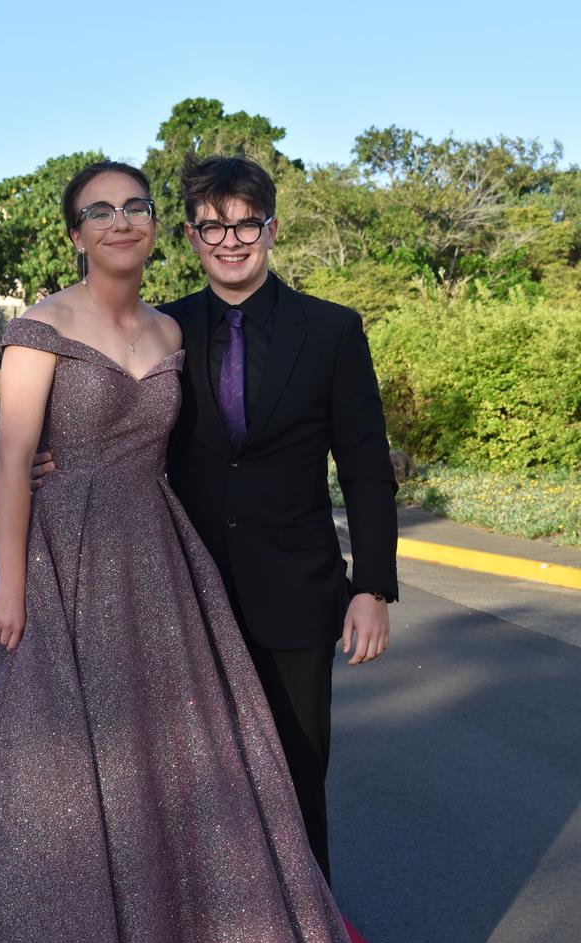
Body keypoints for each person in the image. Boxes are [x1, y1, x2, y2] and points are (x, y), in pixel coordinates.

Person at [0, 159, 373, 943]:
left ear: (159, 226)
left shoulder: (173, 333)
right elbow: (13, 459)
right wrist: (10, 583)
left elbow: (265, 443)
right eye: (100, 211)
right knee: (56, 779)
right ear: (76, 232)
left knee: (177, 771)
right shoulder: (38, 328)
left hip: (161, 565)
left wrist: (367, 581)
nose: (122, 221)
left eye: (136, 206)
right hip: (65, 563)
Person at [33, 153, 399, 884]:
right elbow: (114, 424)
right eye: (212, 228)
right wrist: (60, 458)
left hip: (296, 598)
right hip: (178, 596)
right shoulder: (164, 329)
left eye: (246, 226)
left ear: (271, 228)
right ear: (192, 237)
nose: (230, 243)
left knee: (297, 785)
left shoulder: (332, 331)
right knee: (191, 792)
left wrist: (373, 587)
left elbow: (364, 468)